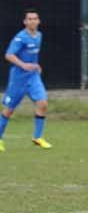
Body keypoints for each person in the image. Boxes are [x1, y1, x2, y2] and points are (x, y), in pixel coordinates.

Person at [0, 8, 52, 152]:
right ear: (25, 22)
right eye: (29, 19)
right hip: (18, 79)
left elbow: (32, 55)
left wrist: (36, 65)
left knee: (43, 104)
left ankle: (38, 137)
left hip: (33, 77)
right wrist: (23, 65)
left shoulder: (39, 35)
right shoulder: (20, 37)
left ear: (39, 21)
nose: (32, 21)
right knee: (9, 110)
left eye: (35, 18)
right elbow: (9, 55)